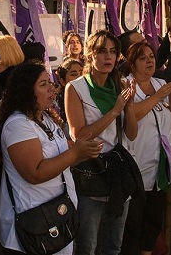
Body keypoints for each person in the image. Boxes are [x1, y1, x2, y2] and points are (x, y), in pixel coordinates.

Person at [0, 63, 100, 255]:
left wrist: (83, 152)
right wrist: (75, 153)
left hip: (55, 218)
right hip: (32, 225)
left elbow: (63, 160)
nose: (51, 88)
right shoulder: (18, 125)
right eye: (43, 84)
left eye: (50, 83)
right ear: (26, 90)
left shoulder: (45, 118)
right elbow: (35, 173)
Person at [65, 30, 138, 255]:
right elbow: (79, 135)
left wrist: (129, 106)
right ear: (90, 55)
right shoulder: (76, 88)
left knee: (114, 244)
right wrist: (115, 110)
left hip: (117, 172)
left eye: (113, 52)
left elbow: (132, 134)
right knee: (87, 245)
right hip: (90, 172)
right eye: (102, 51)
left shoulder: (120, 84)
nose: (108, 57)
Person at [121, 41, 171, 255]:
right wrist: (157, 97)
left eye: (151, 56)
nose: (149, 61)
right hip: (135, 168)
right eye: (142, 58)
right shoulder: (125, 85)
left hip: (161, 168)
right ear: (132, 64)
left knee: (152, 225)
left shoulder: (160, 83)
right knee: (132, 227)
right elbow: (132, 115)